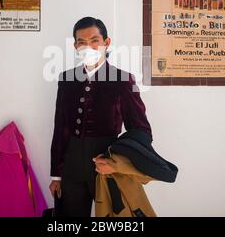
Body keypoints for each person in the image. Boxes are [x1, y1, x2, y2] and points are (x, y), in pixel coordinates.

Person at [48, 16, 152, 217]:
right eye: (82, 42)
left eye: (94, 40)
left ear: (106, 42)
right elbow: (60, 128)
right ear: (75, 46)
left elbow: (141, 130)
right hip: (71, 168)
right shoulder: (66, 79)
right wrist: (57, 175)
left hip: (107, 167)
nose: (88, 47)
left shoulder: (123, 79)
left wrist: (117, 162)